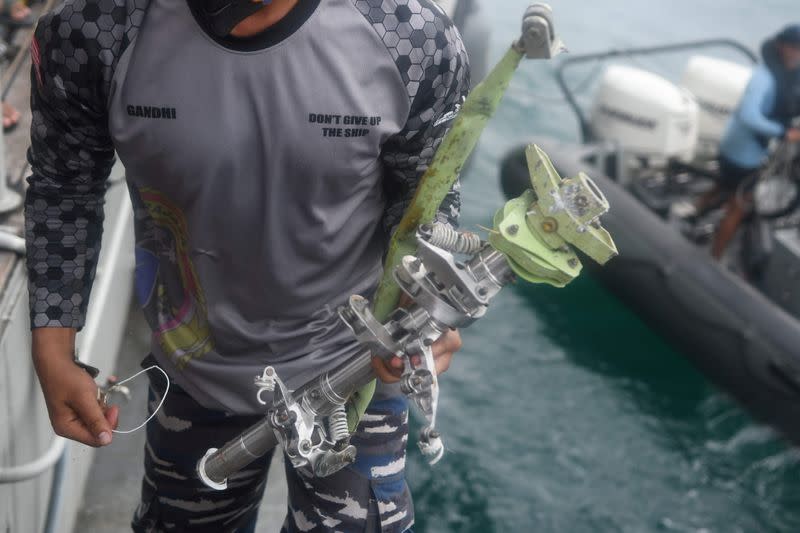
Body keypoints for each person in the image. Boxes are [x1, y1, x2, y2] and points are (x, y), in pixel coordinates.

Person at [26, 0, 468, 531]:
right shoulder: (90, 30)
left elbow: (424, 198)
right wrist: (53, 343)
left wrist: (428, 306)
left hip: (358, 365)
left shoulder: (413, 37)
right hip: (195, 366)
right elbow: (65, 182)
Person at [700, 24, 800, 259]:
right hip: (741, 152)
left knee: (722, 186)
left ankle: (694, 214)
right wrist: (785, 132)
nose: (797, 53)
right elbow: (748, 115)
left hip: (751, 148)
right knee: (740, 205)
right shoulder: (763, 78)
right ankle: (714, 259)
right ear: (780, 46)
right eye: (793, 47)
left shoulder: (789, 74)